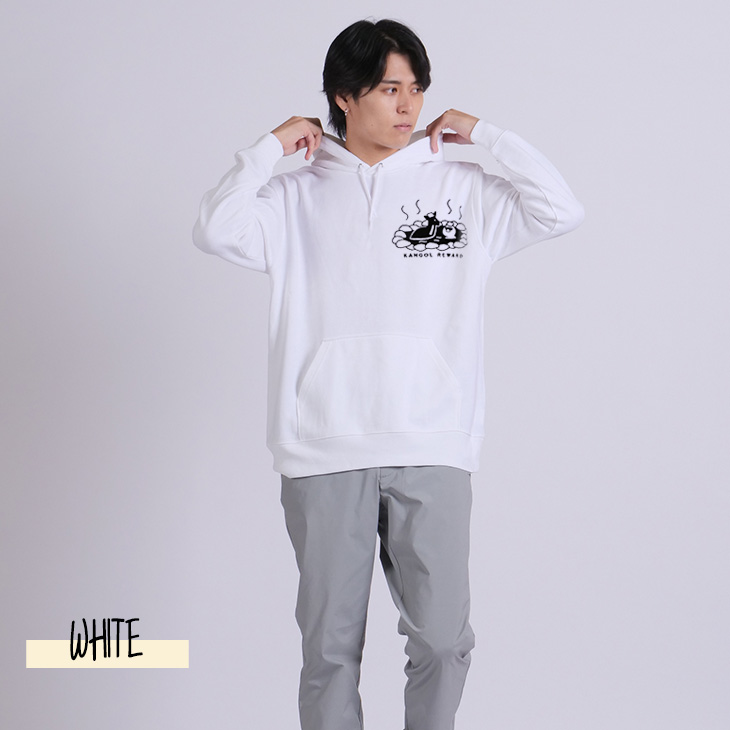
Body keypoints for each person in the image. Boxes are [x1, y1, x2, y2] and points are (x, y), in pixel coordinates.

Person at [193, 18, 583, 730]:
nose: (408, 105)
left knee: (443, 642)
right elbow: (214, 229)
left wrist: (489, 136)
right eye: (388, 89)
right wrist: (268, 149)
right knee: (328, 651)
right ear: (344, 96)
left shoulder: (462, 189)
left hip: (432, 442)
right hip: (323, 448)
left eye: (416, 88)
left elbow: (561, 209)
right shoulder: (293, 197)